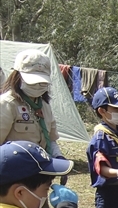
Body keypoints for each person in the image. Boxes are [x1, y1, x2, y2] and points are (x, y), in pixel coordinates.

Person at [0, 49, 69, 186]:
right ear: (18, 76)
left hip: (39, 176)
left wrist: (59, 158)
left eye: (42, 83)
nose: (37, 86)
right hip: (13, 178)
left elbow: (51, 139)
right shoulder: (7, 104)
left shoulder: (44, 106)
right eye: (33, 81)